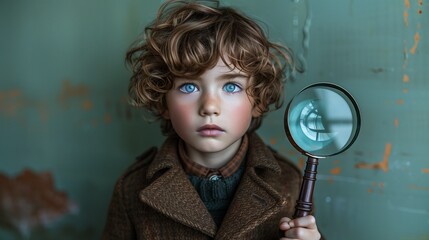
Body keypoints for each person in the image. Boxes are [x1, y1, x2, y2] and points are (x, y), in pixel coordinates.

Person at [102, 0, 321, 239]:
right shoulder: (132, 189)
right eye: (188, 87)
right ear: (164, 101)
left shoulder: (289, 182)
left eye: (231, 86)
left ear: (257, 101)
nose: (209, 107)